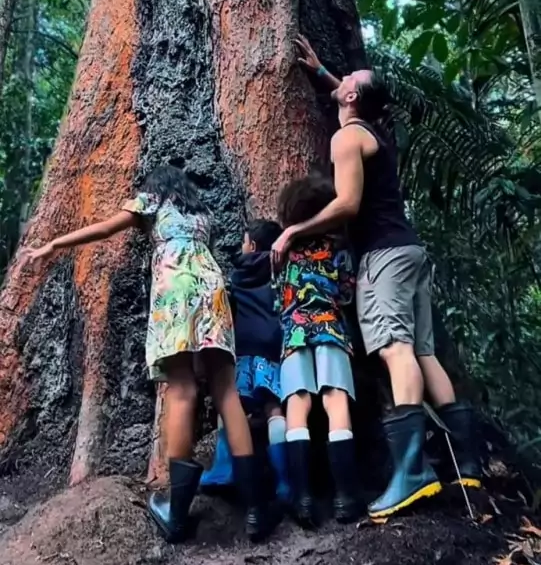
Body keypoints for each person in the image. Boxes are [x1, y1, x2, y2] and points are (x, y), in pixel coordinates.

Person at [272, 37, 481, 520]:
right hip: (409, 250)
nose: (343, 79)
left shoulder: (347, 138)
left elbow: (347, 204)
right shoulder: (374, 133)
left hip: (383, 256)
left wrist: (293, 232)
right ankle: (465, 460)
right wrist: (324, 71)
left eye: (347, 81)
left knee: (395, 349)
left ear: (352, 99)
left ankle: (410, 471)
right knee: (423, 351)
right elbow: (356, 101)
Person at [23, 165, 279, 544]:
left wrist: (53, 245)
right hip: (213, 289)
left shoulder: (151, 200)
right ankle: (256, 508)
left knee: (182, 390)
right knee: (226, 392)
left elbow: (107, 227)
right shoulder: (200, 214)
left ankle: (177, 514)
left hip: (175, 291)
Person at [274, 172, 359, 527]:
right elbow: (347, 293)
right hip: (331, 330)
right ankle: (345, 497)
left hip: (294, 333)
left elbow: (279, 295)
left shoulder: (285, 250)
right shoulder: (338, 248)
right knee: (335, 399)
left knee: (298, 403)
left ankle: (303, 498)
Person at [200, 219, 290, 506]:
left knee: (231, 403)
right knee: (274, 408)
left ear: (251, 246)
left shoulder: (239, 274)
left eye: (244, 241)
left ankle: (224, 468)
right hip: (274, 346)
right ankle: (286, 481)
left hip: (244, 345)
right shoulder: (280, 268)